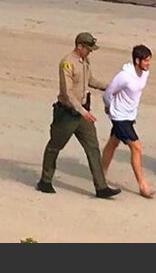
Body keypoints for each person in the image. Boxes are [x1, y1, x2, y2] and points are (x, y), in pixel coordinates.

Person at [37, 32, 121, 199]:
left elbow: (90, 81)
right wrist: (83, 112)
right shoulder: (67, 63)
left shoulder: (85, 61)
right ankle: (45, 181)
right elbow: (67, 93)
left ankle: (101, 187)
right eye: (88, 49)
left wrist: (110, 87)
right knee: (55, 146)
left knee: (93, 148)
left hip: (83, 115)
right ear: (79, 46)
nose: (90, 52)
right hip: (67, 114)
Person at [101, 45, 155, 199]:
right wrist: (109, 108)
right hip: (119, 117)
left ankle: (100, 174)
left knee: (112, 143)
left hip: (130, 116)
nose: (148, 64)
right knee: (136, 148)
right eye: (146, 61)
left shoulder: (145, 73)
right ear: (137, 60)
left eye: (149, 61)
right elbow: (108, 93)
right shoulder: (124, 76)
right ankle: (143, 185)